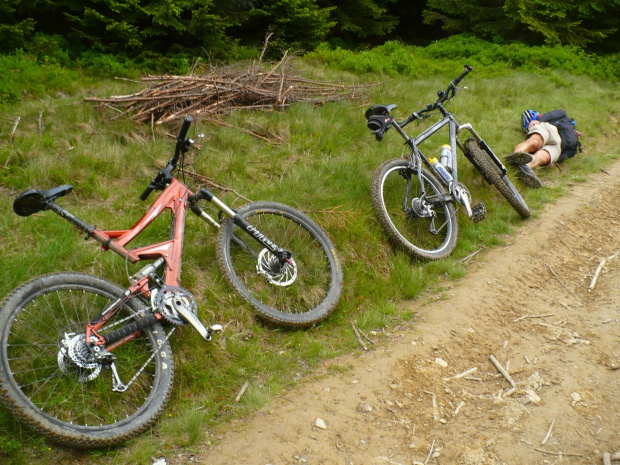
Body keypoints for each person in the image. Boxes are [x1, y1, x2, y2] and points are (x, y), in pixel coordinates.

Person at [505, 109, 582, 188]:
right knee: (534, 142)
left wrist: (556, 160)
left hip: (559, 147)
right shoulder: (560, 119)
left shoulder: (574, 146)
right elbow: (558, 113)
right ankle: (516, 155)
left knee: (543, 158)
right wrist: (539, 120)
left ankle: (525, 168)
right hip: (552, 130)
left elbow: (568, 154)